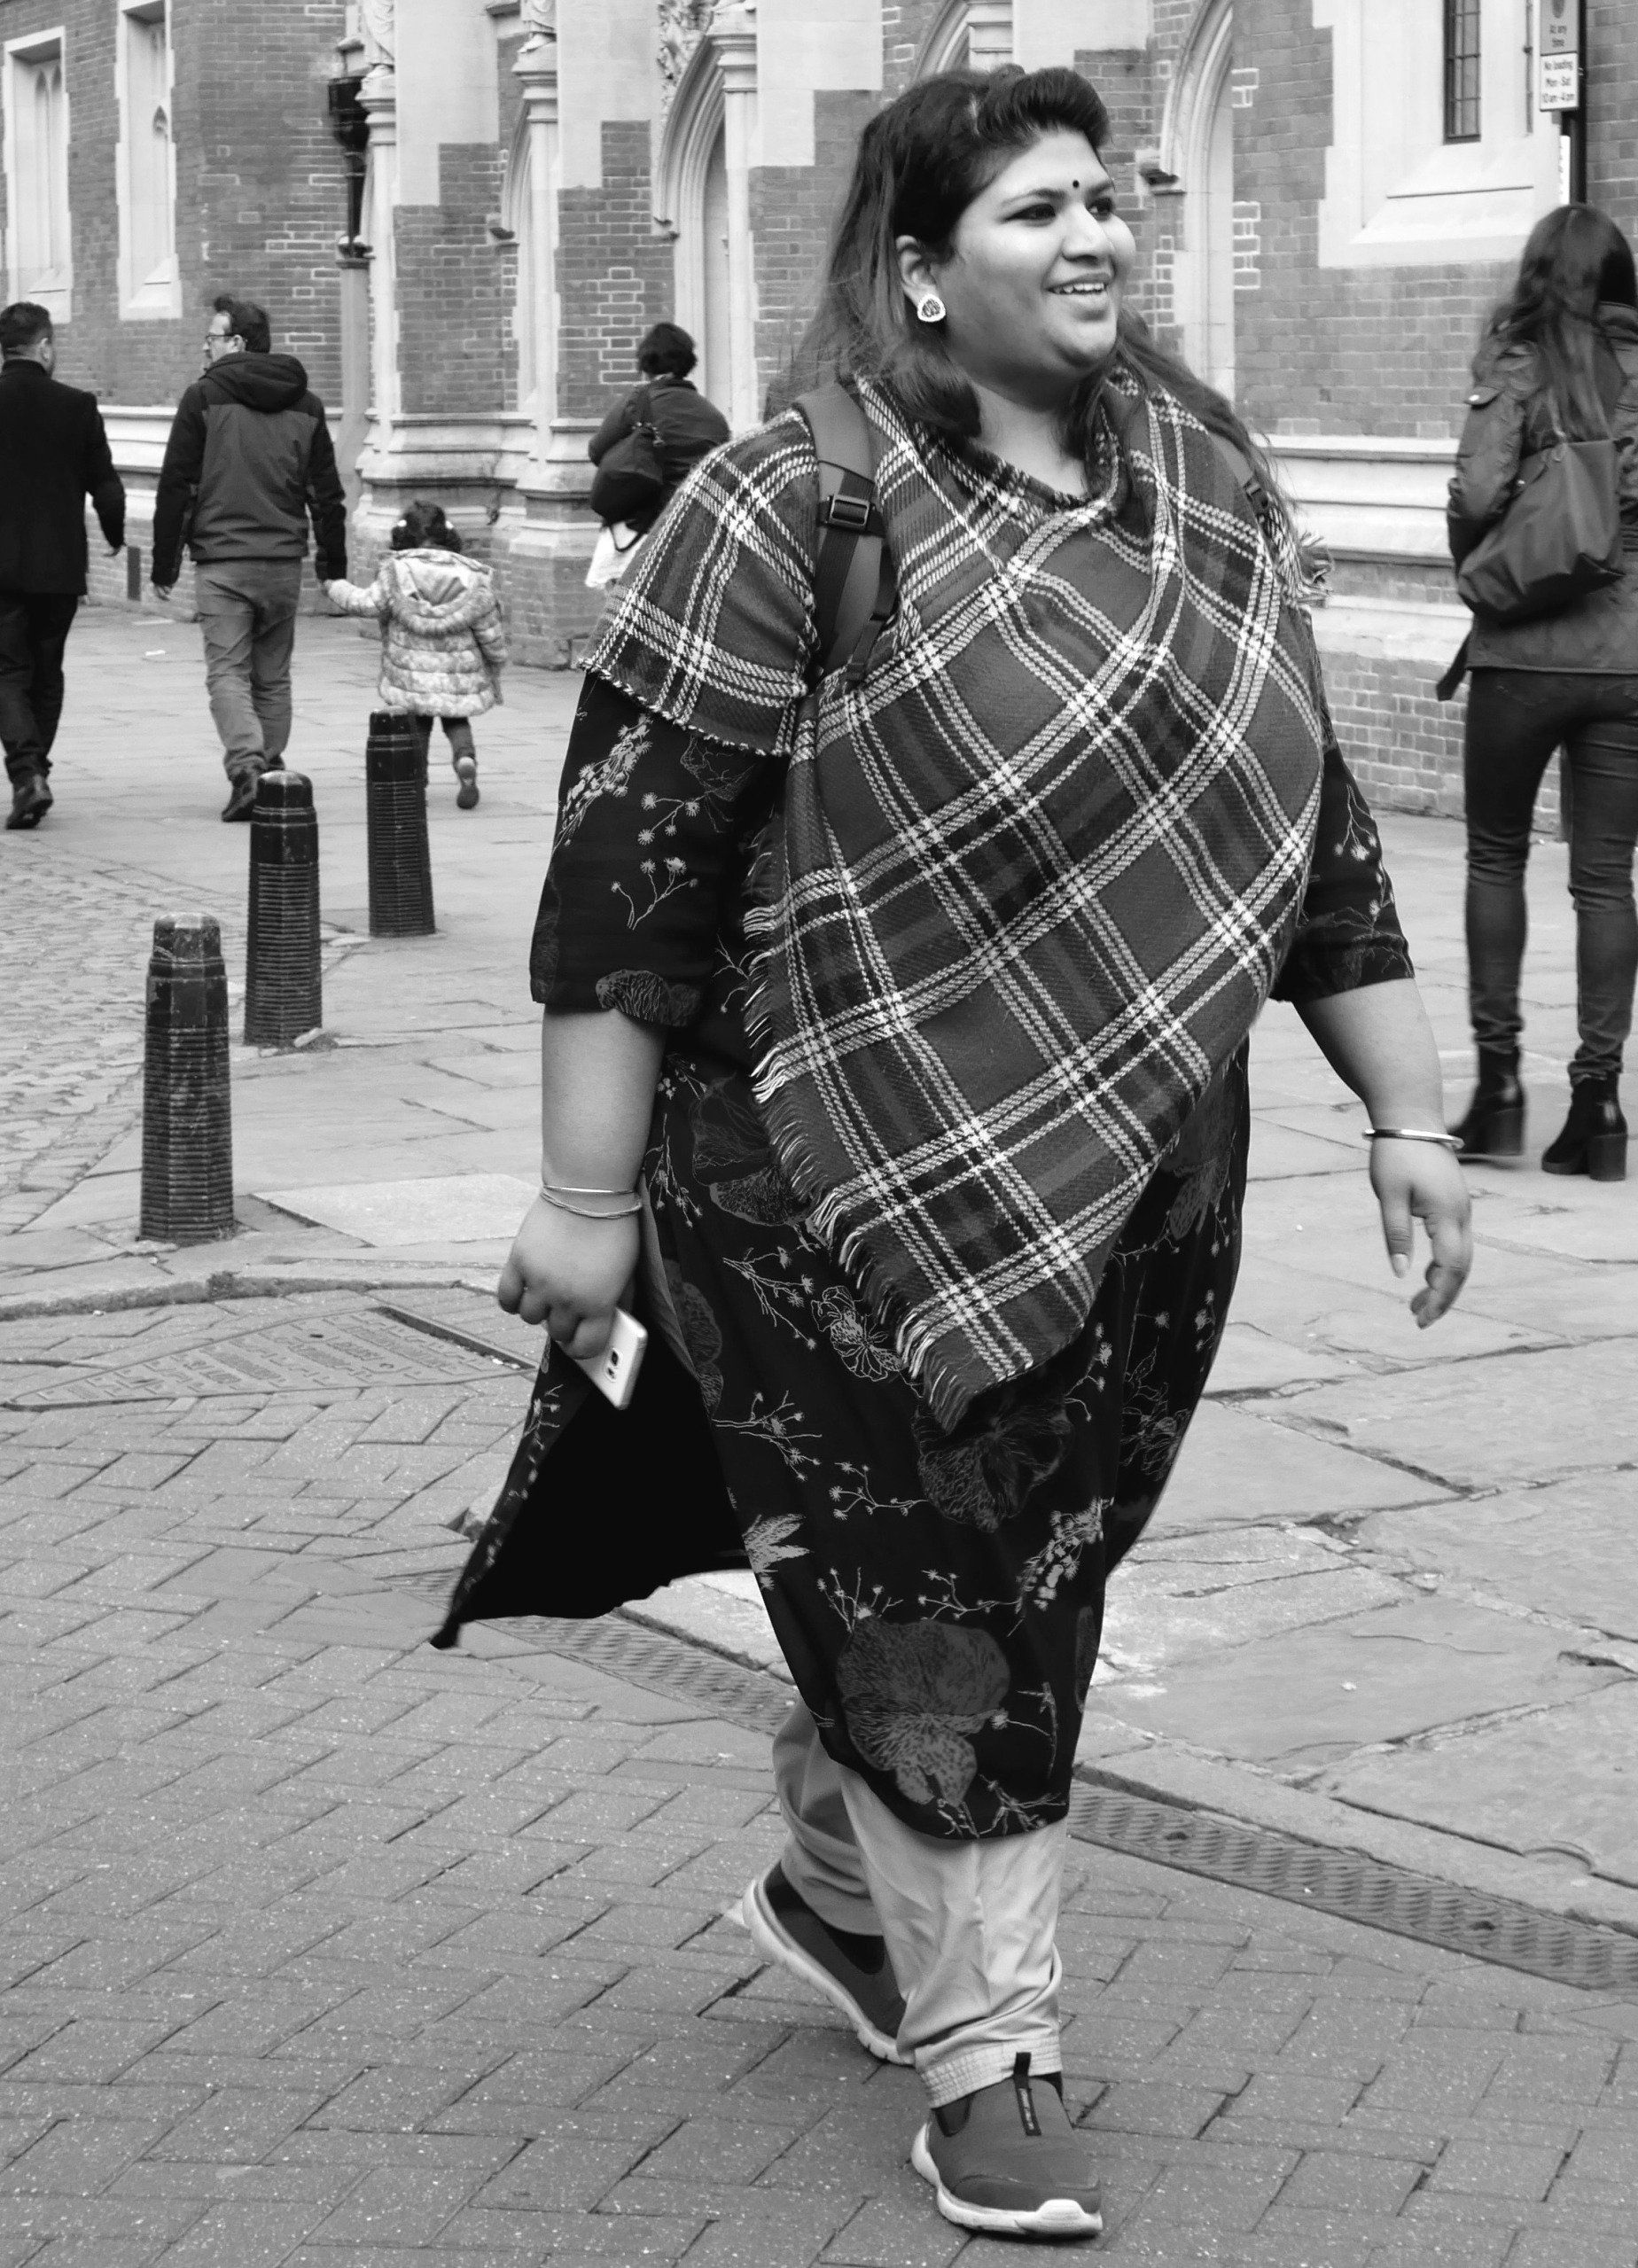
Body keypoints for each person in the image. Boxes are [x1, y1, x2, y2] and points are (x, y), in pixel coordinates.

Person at [471, 67, 1471, 2241]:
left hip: (1140, 1179)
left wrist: (1405, 1108)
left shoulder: (1204, 487)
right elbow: (626, 874)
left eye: (1102, 198)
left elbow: (1311, 832)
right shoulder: (785, 508)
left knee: (1030, 1575)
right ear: (920, 270)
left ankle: (847, 1883)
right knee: (940, 1600)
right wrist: (580, 1194)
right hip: (820, 1179)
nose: (1092, 235)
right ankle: (992, 2054)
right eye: (1033, 211)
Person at [1446, 206, 1638, 1181]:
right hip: (1636, 652)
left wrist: (1495, 572)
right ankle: (1599, 1106)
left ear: (1539, 276)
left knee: (1495, 857)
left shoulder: (1517, 369)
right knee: (1606, 880)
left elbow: (1474, 498)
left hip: (1523, 652)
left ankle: (1499, 1089)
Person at [149, 293, 347, 821]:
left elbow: (177, 485)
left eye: (211, 337)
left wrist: (164, 563)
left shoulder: (203, 399)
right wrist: (334, 569)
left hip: (223, 564)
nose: (205, 347)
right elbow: (326, 495)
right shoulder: (306, 405)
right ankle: (271, 765)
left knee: (227, 674)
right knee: (273, 676)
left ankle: (246, 769)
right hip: (282, 564)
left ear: (236, 343)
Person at [0, 302, 126, 830]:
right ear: (45, 347)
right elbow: (107, 485)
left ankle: (27, 772)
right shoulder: (77, 405)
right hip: (59, 565)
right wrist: (116, 536)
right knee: (47, 672)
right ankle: (36, 772)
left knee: (8, 671)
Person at [324, 501, 506, 809]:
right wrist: (497, 659)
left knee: (416, 726)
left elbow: (367, 604)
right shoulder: (471, 576)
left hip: (411, 673)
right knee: (456, 720)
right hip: (458, 672)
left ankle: (415, 781)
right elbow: (490, 630)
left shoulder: (395, 572)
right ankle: (465, 760)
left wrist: (335, 587)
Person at [584, 322, 729, 586]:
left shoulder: (638, 402)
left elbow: (596, 451)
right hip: (693, 535)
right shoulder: (714, 416)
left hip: (636, 531)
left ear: (647, 361)